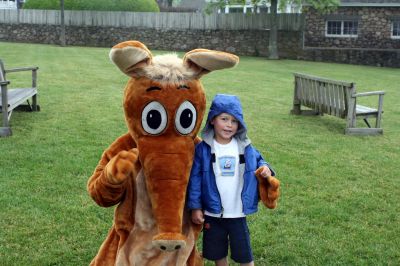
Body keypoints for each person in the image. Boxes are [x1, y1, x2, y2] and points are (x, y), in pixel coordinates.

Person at [187, 94, 279, 266]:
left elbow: (260, 161)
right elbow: (195, 180)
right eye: (224, 119)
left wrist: (266, 169)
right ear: (213, 120)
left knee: (244, 253)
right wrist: (195, 207)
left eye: (234, 121)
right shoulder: (203, 149)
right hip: (213, 213)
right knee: (217, 252)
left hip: (237, 211)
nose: (229, 125)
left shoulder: (244, 146)